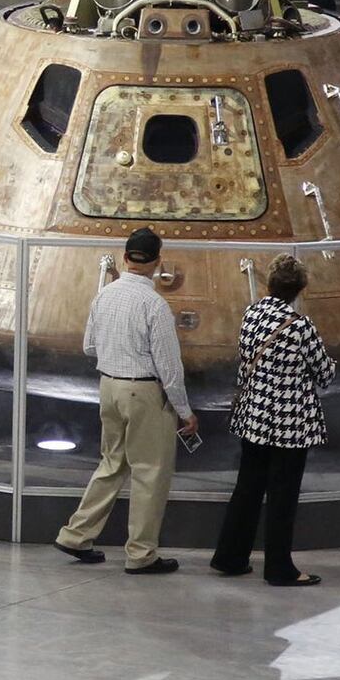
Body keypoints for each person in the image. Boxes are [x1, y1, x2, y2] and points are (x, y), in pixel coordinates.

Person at [55, 226, 197, 574]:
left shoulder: (103, 296)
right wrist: (185, 411)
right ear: (158, 262)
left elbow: (89, 346)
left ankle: (76, 534)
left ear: (125, 257)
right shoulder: (154, 305)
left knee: (110, 463)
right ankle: (141, 554)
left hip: (109, 388)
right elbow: (169, 366)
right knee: (150, 472)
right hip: (144, 393)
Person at [211, 256, 337, 587]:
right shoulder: (300, 327)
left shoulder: (251, 315)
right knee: (282, 495)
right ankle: (279, 568)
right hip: (290, 425)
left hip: (254, 417)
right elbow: (325, 375)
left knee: (248, 487)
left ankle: (230, 555)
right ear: (299, 289)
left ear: (269, 284)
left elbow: (243, 362)